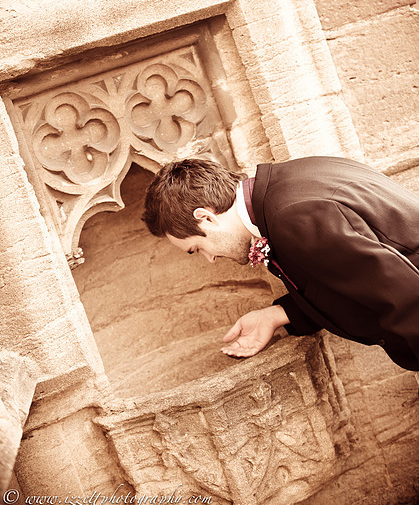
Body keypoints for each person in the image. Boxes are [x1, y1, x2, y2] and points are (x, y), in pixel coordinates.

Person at [143, 156, 419, 371]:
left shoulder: (292, 216)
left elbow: (407, 298)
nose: (210, 258)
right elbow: (350, 278)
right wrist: (279, 314)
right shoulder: (289, 183)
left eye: (197, 248)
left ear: (206, 217)